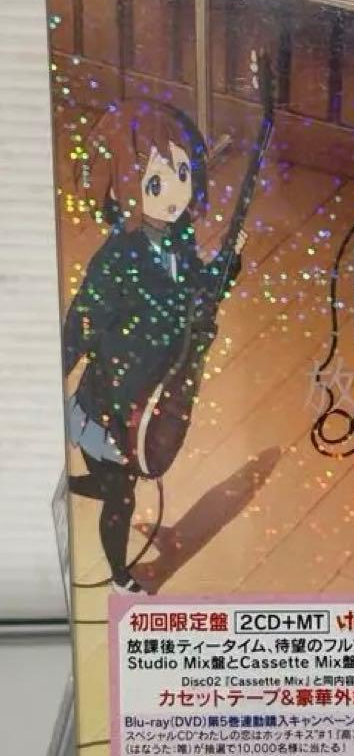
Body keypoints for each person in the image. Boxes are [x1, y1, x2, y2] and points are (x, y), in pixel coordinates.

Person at [63, 100, 245, 592]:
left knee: (124, 476)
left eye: (183, 175)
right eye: (156, 184)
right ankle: (120, 577)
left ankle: (82, 484)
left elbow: (199, 294)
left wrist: (225, 268)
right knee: (120, 496)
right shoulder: (116, 259)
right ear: (120, 188)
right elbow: (81, 324)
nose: (176, 195)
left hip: (151, 397)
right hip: (110, 404)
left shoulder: (180, 240)